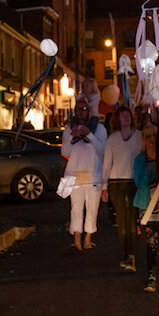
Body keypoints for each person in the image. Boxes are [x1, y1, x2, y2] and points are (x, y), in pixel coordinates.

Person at [61, 97, 108, 250]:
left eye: (85, 109)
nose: (82, 112)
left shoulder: (99, 129)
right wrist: (71, 136)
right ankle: (76, 238)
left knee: (92, 207)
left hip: (93, 174)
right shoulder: (69, 129)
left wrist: (89, 134)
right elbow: (65, 151)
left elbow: (102, 150)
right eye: (79, 109)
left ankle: (88, 237)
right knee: (76, 207)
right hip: (75, 174)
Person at [133, 124, 159, 291]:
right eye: (147, 136)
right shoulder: (139, 159)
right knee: (151, 242)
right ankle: (151, 275)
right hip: (147, 204)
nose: (151, 140)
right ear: (143, 139)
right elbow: (139, 182)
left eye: (154, 136)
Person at [102, 106, 142, 271]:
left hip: (134, 181)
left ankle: (131, 255)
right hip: (116, 182)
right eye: (122, 115)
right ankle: (126, 254)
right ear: (117, 119)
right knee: (122, 221)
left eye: (127, 115)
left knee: (132, 220)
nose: (125, 117)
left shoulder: (139, 136)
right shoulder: (112, 138)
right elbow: (106, 163)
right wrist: (104, 186)